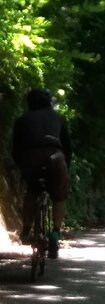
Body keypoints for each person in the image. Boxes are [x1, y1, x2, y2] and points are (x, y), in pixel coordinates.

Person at [12, 88, 72, 259]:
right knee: (59, 197)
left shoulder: (22, 119)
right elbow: (67, 147)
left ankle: (26, 230)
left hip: (30, 158)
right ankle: (55, 233)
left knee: (31, 192)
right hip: (56, 157)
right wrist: (65, 166)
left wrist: (20, 167)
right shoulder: (58, 118)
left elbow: (16, 148)